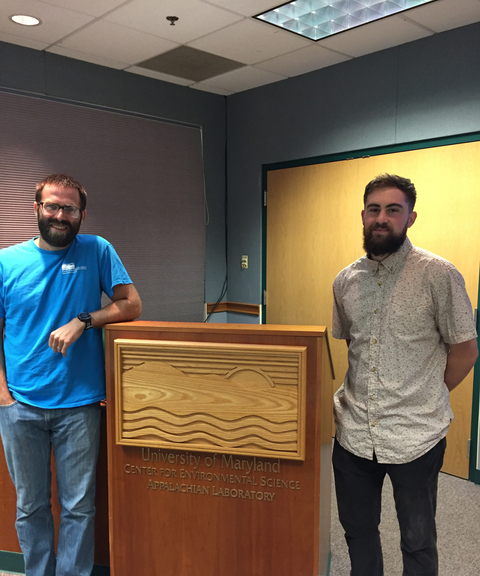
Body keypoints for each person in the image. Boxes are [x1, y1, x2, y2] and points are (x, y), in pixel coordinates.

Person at [331, 174, 478, 576]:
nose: (382, 218)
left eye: (393, 210)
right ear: (363, 215)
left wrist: (426, 392)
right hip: (354, 433)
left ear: (410, 217)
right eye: (374, 209)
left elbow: (465, 352)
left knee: (417, 542)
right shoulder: (345, 281)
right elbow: (354, 347)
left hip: (416, 436)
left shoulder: (439, 276)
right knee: (358, 533)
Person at [0, 174, 142, 576]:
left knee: (79, 507)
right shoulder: (6, 262)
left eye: (69, 208)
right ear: (37, 209)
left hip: (79, 406)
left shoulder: (97, 250)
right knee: (31, 506)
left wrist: (85, 319)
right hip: (20, 407)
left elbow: (130, 304)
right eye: (52, 206)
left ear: (81, 213)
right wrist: (3, 397)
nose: (60, 215)